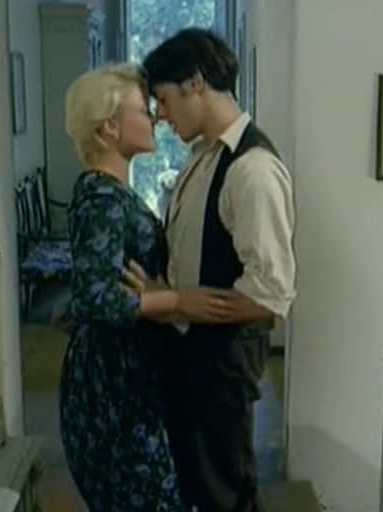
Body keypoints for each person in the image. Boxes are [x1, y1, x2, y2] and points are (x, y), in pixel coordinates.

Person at [60, 63, 239, 512]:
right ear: (110, 128)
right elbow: (94, 298)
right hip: (112, 390)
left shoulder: (110, 193)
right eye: (144, 110)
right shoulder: (101, 200)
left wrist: (160, 295)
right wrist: (176, 301)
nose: (156, 117)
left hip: (128, 379)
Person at [134, 28, 297, 512]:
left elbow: (270, 292)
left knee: (226, 494)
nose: (161, 116)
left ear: (196, 83)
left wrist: (181, 305)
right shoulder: (204, 156)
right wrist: (172, 298)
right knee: (203, 489)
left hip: (221, 363)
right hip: (196, 358)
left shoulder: (252, 169)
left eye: (164, 100)